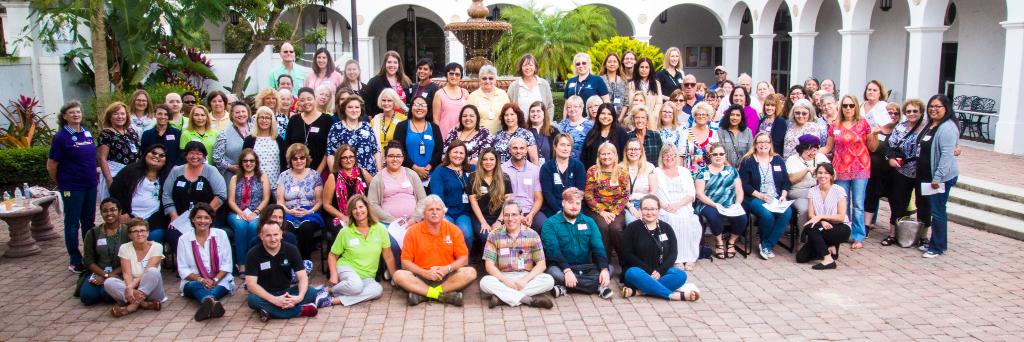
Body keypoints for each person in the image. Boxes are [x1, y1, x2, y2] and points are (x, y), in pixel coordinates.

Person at [394, 196, 477, 306]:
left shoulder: (453, 230)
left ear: (443, 213)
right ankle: (443, 296)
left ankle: (423, 295)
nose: (435, 212)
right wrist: (425, 273)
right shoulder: (412, 232)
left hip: (447, 276)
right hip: (421, 276)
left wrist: (446, 269)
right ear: (423, 213)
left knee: (470, 272)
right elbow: (405, 262)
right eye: (430, 210)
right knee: (398, 275)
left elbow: (464, 259)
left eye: (438, 209)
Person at [821, 95, 879, 249]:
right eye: (845, 105)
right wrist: (813, 152)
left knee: (858, 204)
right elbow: (828, 147)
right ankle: (844, 232)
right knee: (842, 203)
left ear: (856, 107)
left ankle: (859, 235)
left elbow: (872, 147)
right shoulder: (835, 125)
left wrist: (875, 133)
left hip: (860, 168)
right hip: (840, 169)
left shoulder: (863, 123)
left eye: (851, 105)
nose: (848, 108)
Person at [619, 195, 700, 301]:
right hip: (639, 271)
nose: (649, 212)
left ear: (658, 210)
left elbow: (673, 254)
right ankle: (671, 295)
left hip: (660, 271)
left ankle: (639, 291)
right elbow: (627, 254)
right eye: (646, 209)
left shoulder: (666, 228)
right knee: (633, 273)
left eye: (653, 209)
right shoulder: (632, 228)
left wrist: (660, 271)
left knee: (680, 275)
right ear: (640, 210)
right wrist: (649, 271)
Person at [322, 195, 397, 307]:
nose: (358, 211)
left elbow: (388, 256)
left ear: (367, 208)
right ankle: (328, 291)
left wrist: (395, 278)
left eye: (361, 207)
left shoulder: (380, 229)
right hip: (347, 268)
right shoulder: (346, 231)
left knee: (377, 290)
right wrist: (333, 275)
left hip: (367, 276)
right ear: (351, 212)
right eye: (354, 208)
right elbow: (333, 255)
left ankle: (332, 300)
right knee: (356, 286)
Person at [50, 101, 99, 273]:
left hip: (90, 184)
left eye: (78, 112)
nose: (76, 115)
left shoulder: (87, 133)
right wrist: (62, 182)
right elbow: (52, 164)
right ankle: (75, 258)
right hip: (72, 186)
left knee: (89, 221)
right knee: (72, 223)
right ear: (64, 116)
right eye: (71, 112)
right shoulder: (61, 137)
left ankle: (90, 255)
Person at [479, 201, 556, 309]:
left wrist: (525, 280)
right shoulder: (494, 235)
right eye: (507, 215)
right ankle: (529, 300)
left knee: (548, 280)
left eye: (514, 214)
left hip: (526, 277)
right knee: (485, 282)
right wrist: (506, 281)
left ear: (521, 215)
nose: (510, 219)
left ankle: (502, 298)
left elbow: (541, 264)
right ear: (503, 217)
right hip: (503, 277)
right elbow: (489, 265)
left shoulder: (532, 235)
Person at [540, 187, 612, 299]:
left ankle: (564, 287)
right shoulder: (550, 224)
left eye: (577, 203)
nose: (574, 207)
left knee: (609, 269)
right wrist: (567, 271)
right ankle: (598, 286)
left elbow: (598, 247)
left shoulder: (589, 222)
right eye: (570, 203)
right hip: (561, 268)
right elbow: (553, 251)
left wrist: (604, 269)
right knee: (553, 273)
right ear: (563, 203)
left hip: (586, 268)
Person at [245, 220, 319, 321]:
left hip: (287, 292)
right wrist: (275, 300)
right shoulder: (253, 254)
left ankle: (270, 312)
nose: (273, 239)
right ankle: (300, 311)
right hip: (265, 294)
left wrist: (299, 297)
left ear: (281, 234)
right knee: (252, 300)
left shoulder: (291, 249)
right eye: (268, 235)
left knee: (311, 292)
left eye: (276, 234)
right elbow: (251, 285)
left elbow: (302, 277)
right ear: (261, 236)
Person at [162, 142, 227, 253]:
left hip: (207, 217)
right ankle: (184, 266)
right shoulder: (176, 171)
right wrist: (174, 217)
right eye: (191, 153)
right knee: (174, 234)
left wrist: (204, 215)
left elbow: (221, 195)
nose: (195, 157)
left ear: (204, 156)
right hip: (180, 217)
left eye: (199, 154)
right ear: (186, 155)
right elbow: (166, 194)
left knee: (203, 233)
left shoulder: (211, 171)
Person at [738, 133, 793, 259]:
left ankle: (767, 245)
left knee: (787, 213)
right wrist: (761, 196)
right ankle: (766, 245)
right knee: (767, 215)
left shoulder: (777, 159)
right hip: (754, 197)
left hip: (775, 197)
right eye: (760, 142)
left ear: (770, 144)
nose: (763, 145)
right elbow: (744, 184)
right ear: (755, 145)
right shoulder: (748, 160)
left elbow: (786, 181)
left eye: (766, 142)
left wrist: (783, 195)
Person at [175, 203, 234, 321]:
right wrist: (201, 280)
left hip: (219, 279)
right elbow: (183, 269)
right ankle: (212, 302)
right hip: (194, 280)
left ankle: (207, 302)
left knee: (218, 287)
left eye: (206, 217)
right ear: (193, 219)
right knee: (195, 286)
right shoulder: (183, 239)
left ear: (211, 220)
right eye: (199, 217)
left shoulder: (221, 234)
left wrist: (215, 280)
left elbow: (227, 263)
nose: (203, 221)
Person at [884, 99, 930, 246]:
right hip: (902, 170)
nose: (911, 114)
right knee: (898, 202)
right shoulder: (900, 127)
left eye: (915, 111)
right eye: (908, 111)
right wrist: (891, 158)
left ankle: (923, 236)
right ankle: (893, 234)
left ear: (921, 112)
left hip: (922, 171)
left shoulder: (927, 128)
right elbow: (891, 146)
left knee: (923, 205)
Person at [919, 95, 960, 258]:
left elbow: (946, 155)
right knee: (934, 210)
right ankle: (936, 241)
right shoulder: (932, 124)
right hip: (928, 176)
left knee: (938, 211)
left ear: (947, 108)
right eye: (931, 106)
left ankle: (937, 247)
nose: (933, 109)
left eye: (938, 107)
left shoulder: (947, 128)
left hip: (940, 178)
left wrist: (938, 177)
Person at [695, 143, 748, 259]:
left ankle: (731, 242)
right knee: (714, 216)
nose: (718, 156)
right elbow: (699, 194)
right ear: (710, 156)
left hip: (729, 203)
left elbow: (739, 191)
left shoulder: (732, 171)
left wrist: (737, 204)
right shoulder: (703, 172)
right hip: (708, 203)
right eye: (715, 154)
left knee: (742, 218)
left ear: (725, 155)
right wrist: (715, 205)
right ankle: (719, 242)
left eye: (721, 154)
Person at [652, 145, 702, 270]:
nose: (669, 158)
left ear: (677, 157)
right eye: (666, 155)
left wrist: (677, 205)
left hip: (682, 205)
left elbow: (691, 194)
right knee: (672, 220)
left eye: (673, 155)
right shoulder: (656, 171)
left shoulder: (684, 171)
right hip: (664, 206)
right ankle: (677, 258)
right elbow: (654, 193)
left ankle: (690, 257)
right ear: (661, 157)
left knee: (692, 221)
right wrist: (665, 206)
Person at [104, 219, 166, 317]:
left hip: (152, 289)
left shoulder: (157, 246)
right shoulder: (124, 248)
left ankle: (132, 307)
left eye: (142, 230)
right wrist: (130, 288)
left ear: (148, 233)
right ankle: (144, 304)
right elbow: (127, 274)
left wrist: (130, 288)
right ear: (129, 235)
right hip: (132, 288)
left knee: (152, 271)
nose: (139, 234)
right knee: (109, 282)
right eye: (135, 231)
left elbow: (147, 271)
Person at [109, 145, 170, 243]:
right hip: (130, 216)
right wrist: (123, 212)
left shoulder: (167, 175)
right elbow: (115, 190)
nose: (157, 156)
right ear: (146, 154)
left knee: (155, 236)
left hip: (154, 217)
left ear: (165, 161)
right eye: (153, 153)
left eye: (161, 155)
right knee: (126, 236)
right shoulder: (130, 170)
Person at [798, 163, 852, 270]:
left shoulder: (839, 190)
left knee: (811, 229)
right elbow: (811, 214)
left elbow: (841, 217)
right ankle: (830, 247)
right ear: (816, 175)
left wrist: (821, 217)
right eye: (820, 173)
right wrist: (822, 221)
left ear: (832, 176)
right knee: (801, 258)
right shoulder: (812, 191)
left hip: (840, 227)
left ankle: (828, 260)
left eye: (826, 173)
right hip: (821, 226)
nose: (823, 176)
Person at [277, 144, 325, 260]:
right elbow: (279, 201)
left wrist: (309, 212)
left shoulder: (315, 175)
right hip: (289, 212)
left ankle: (304, 260)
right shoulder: (284, 176)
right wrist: (289, 211)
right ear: (290, 160)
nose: (299, 161)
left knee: (306, 228)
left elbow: (319, 202)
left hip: (310, 212)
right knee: (286, 228)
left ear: (306, 159)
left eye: (302, 158)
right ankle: (290, 260)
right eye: (295, 158)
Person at [77, 198, 129, 305]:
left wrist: (110, 275)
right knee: (87, 297)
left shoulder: (128, 232)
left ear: (120, 212)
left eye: (113, 210)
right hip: (98, 273)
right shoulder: (93, 233)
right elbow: (88, 260)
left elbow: (133, 259)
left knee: (107, 294)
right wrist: (104, 275)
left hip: (121, 272)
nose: (109, 213)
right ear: (101, 213)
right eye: (105, 211)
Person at [227, 149, 271, 271]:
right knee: (240, 226)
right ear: (241, 163)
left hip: (257, 212)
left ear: (256, 162)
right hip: (237, 212)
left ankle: (253, 263)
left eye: (251, 161)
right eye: (245, 161)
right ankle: (242, 263)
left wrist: (256, 212)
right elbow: (230, 200)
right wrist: (240, 212)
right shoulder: (235, 178)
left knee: (253, 226)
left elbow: (266, 199)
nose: (248, 163)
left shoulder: (262, 177)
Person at [583, 142, 629, 258]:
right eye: (603, 154)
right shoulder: (592, 171)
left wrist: (613, 213)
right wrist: (602, 212)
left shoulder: (622, 171)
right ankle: (604, 263)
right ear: (599, 156)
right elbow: (588, 195)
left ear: (615, 156)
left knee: (616, 228)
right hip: (596, 210)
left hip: (616, 210)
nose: (606, 157)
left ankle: (624, 261)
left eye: (609, 154)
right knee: (602, 227)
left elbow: (625, 195)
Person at [430, 140, 475, 249]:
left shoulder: (472, 169)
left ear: (465, 156)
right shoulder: (440, 171)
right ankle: (449, 263)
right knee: (447, 237)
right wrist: (442, 215)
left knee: (466, 234)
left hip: (464, 212)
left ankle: (464, 261)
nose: (458, 155)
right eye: (455, 152)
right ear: (449, 153)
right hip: (446, 212)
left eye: (461, 153)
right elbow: (437, 196)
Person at [368, 142, 427, 224]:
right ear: (385, 158)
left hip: (414, 222)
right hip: (388, 224)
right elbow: (372, 205)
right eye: (391, 156)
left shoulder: (411, 174)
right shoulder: (378, 178)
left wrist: (414, 218)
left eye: (398, 156)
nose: (395, 159)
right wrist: (394, 221)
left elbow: (423, 200)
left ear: (403, 158)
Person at [864, 102, 899, 233]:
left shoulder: (901, 131)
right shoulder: (876, 129)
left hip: (893, 173)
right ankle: (866, 226)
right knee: (871, 198)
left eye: (896, 113)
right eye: (889, 112)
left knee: (894, 201)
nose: (893, 115)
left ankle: (893, 232)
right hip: (875, 172)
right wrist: (874, 134)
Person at [326, 95, 381, 175]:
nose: (354, 110)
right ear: (344, 109)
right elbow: (330, 154)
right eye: (350, 107)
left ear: (361, 109)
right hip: (346, 175)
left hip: (369, 173)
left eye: (357, 107)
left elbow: (375, 150)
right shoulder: (336, 127)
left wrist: (379, 173)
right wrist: (336, 176)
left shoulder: (367, 126)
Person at [97, 101, 142, 200]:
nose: (120, 116)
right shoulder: (106, 134)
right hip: (116, 175)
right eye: (116, 114)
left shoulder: (132, 132)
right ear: (110, 117)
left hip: (133, 175)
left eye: (122, 113)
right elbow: (102, 158)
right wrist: (109, 180)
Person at [394, 96, 444, 184]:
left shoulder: (434, 128)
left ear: (428, 108)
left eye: (423, 105)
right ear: (411, 107)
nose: (419, 107)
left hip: (430, 176)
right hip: (406, 175)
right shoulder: (401, 126)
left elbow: (439, 151)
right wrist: (415, 168)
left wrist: (428, 167)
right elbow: (398, 150)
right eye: (416, 104)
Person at [285, 87, 334, 175]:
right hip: (296, 171)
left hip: (319, 171)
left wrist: (317, 173)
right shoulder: (294, 120)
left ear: (315, 99)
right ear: (298, 102)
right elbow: (287, 146)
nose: (306, 102)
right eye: (302, 100)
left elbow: (329, 149)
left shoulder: (327, 120)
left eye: (309, 99)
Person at [323, 145, 372, 230]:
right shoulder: (333, 177)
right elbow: (326, 204)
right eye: (344, 158)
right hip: (340, 216)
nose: (348, 160)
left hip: (361, 214)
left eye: (351, 157)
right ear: (339, 160)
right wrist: (343, 217)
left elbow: (376, 189)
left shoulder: (363, 172)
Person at [786, 134, 830, 228]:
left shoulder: (820, 157)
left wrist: (822, 174)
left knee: (829, 204)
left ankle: (825, 235)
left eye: (815, 149)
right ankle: (803, 238)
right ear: (801, 149)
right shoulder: (792, 159)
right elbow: (791, 180)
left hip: (818, 190)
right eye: (809, 149)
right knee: (805, 209)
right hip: (799, 192)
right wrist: (806, 170)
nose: (813, 153)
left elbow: (833, 174)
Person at [468, 149, 514, 239]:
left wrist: (499, 221)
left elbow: (507, 201)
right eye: (485, 159)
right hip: (480, 217)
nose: (488, 162)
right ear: (481, 161)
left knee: (503, 237)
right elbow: (473, 202)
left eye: (491, 159)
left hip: (499, 217)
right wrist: (483, 222)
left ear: (496, 161)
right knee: (487, 237)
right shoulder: (473, 177)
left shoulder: (505, 177)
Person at [539, 134, 587, 218]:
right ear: (554, 146)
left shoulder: (578, 166)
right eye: (562, 145)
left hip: (574, 207)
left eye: (568, 145)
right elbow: (547, 194)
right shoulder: (547, 167)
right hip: (553, 209)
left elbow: (580, 191)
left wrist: (571, 209)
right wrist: (559, 211)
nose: (565, 149)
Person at [243, 106, 287, 192]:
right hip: (255, 186)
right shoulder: (249, 139)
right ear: (257, 120)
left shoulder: (278, 139)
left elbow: (284, 162)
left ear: (272, 121)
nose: (264, 120)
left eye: (267, 118)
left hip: (276, 185)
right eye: (261, 117)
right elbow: (244, 162)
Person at [364, 50, 412, 117]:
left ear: (399, 65)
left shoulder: (406, 81)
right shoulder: (374, 82)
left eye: (395, 62)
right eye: (389, 62)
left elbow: (410, 102)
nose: (392, 65)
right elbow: (367, 104)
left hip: (402, 122)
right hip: (382, 123)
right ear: (385, 64)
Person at [213, 101, 252, 183]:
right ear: (232, 115)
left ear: (248, 113)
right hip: (232, 176)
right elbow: (217, 157)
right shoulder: (224, 133)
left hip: (253, 175)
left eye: (243, 111)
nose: (241, 114)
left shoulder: (255, 129)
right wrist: (230, 167)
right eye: (237, 112)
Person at [621, 138, 656, 226]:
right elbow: (619, 193)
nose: (633, 152)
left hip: (647, 204)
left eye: (636, 149)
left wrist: (643, 207)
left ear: (641, 151)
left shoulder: (649, 167)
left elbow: (653, 191)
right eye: (630, 149)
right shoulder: (619, 168)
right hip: (627, 205)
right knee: (634, 224)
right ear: (626, 151)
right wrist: (630, 207)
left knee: (651, 224)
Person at [581, 103, 627, 168]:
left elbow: (626, 155)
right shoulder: (591, 133)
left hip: (616, 174)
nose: (606, 116)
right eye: (603, 113)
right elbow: (584, 157)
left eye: (609, 114)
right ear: (598, 115)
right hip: (594, 174)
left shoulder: (621, 133)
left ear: (613, 117)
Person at [468, 65, 511, 134]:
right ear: (480, 80)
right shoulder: (473, 96)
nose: (487, 81)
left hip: (500, 136)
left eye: (491, 78)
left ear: (495, 80)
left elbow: (510, 115)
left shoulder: (503, 94)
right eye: (484, 78)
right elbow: (467, 118)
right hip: (479, 137)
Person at [433, 62, 469, 139]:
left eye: (457, 74)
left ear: (461, 76)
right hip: (444, 134)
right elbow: (436, 119)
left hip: (462, 134)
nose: (454, 76)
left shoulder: (465, 93)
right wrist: (438, 137)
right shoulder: (439, 94)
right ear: (446, 75)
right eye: (451, 74)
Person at [681, 103, 720, 172]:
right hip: (689, 174)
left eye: (704, 114)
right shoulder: (686, 133)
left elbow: (717, 154)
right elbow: (680, 156)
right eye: (698, 114)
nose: (701, 116)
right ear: (694, 116)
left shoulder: (713, 134)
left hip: (710, 173)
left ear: (708, 116)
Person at [555, 95, 592, 160]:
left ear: (581, 108)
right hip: (562, 161)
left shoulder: (589, 126)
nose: (572, 109)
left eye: (575, 106)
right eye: (569, 107)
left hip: (582, 163)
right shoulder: (562, 124)